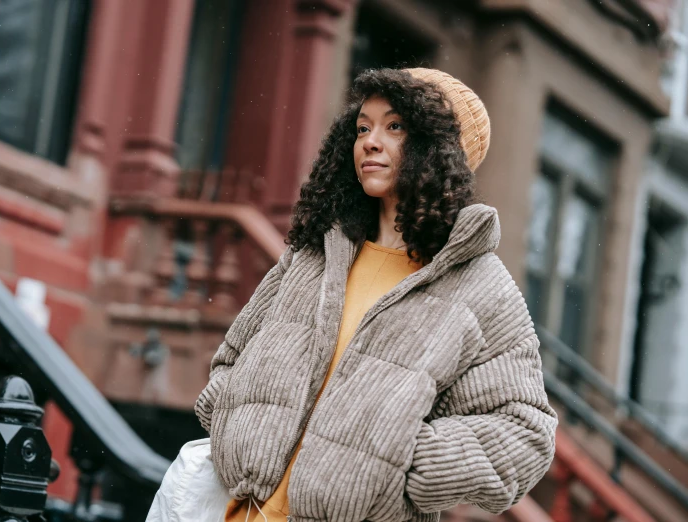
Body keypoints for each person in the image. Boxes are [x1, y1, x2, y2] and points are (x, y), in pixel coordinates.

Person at [195, 67, 557, 522]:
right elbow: (231, 359)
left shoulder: (481, 287)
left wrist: (400, 460)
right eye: (363, 127)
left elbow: (525, 435)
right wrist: (236, 425)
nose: (370, 141)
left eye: (395, 127)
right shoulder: (315, 253)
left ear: (440, 148)